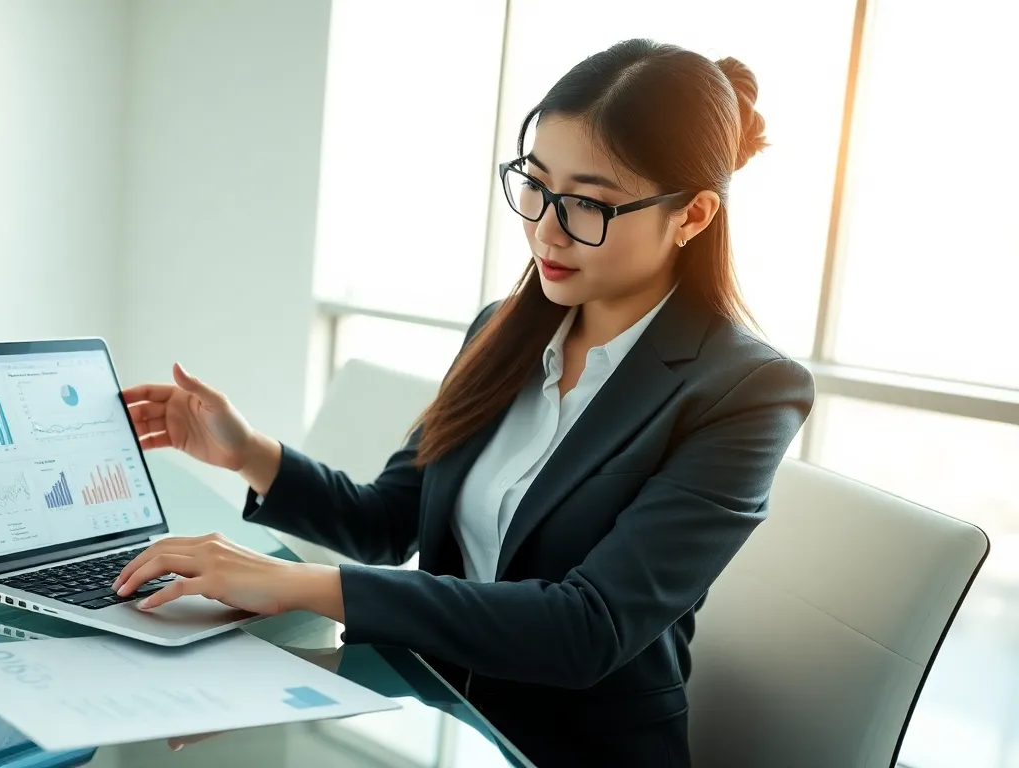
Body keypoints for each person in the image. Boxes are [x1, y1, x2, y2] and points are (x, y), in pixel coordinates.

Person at [112, 38, 815, 767]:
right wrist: (247, 453)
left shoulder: (746, 390)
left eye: (589, 205)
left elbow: (588, 628)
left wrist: (294, 584)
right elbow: (389, 521)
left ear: (692, 216)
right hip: (432, 721)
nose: (545, 229)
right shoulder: (503, 331)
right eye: (535, 185)